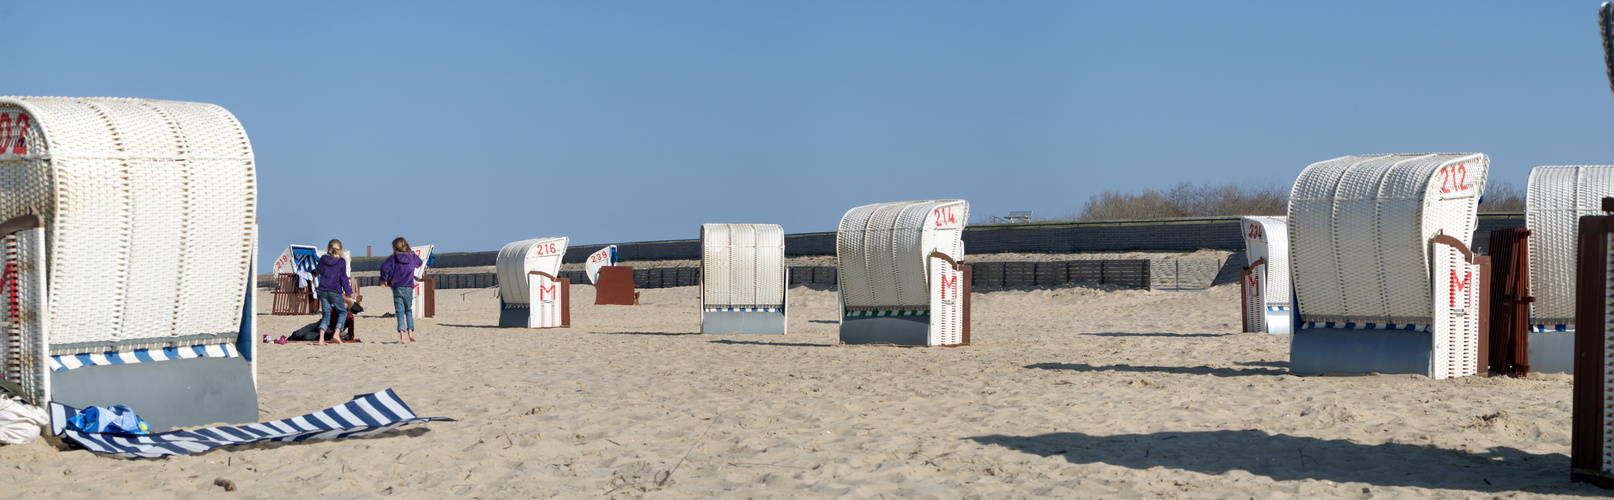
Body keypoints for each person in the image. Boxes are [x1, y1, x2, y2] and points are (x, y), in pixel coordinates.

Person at [378, 237, 423, 344]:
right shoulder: (411, 257)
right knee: (408, 310)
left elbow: (384, 267)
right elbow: (420, 262)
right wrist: (413, 254)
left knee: (399, 312)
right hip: (408, 287)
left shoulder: (393, 258)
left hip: (397, 287)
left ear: (395, 247)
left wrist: (383, 280)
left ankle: (402, 336)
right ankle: (410, 333)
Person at [314, 239, 353, 346]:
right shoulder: (340, 261)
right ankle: (336, 333)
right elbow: (343, 278)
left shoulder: (323, 259)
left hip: (323, 290)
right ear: (339, 250)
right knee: (342, 312)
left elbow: (319, 270)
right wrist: (349, 291)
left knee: (326, 315)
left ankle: (321, 339)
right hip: (334, 290)